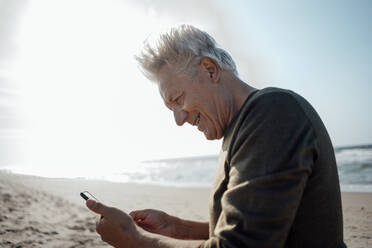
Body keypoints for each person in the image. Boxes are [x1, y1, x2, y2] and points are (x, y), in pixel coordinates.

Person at [85, 24, 346, 247]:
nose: (179, 119)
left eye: (178, 99)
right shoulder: (244, 126)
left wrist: (135, 240)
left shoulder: (272, 112)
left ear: (210, 69)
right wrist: (177, 228)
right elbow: (260, 223)